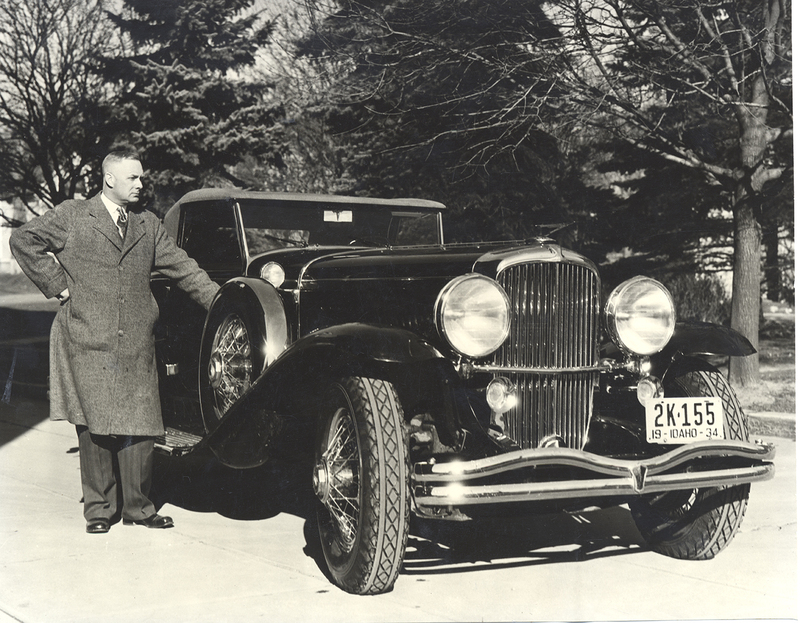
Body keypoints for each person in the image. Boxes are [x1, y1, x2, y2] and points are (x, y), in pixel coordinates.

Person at [10, 149, 220, 534]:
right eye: (133, 178)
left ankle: (139, 508)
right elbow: (24, 239)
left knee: (141, 425)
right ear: (109, 179)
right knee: (94, 426)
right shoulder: (74, 215)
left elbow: (185, 269)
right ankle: (99, 511)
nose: (141, 185)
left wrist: (222, 302)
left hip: (137, 339)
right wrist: (58, 288)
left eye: (141, 178)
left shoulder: (148, 223)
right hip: (86, 336)